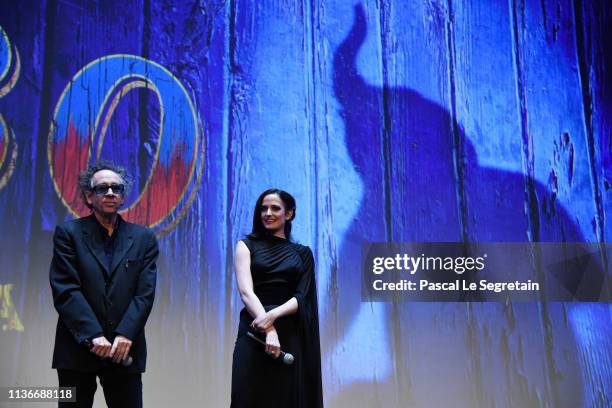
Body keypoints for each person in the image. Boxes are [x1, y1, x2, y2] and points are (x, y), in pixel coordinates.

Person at [49, 161, 158, 408]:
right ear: (89, 196)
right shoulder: (68, 233)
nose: (110, 193)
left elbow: (145, 293)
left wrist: (125, 333)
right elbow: (66, 289)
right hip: (77, 348)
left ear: (122, 196)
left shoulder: (143, 238)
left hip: (125, 348)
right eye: (102, 188)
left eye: (116, 188)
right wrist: (93, 335)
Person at [230, 189, 323, 408]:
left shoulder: (303, 253)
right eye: (263, 208)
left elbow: (302, 296)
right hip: (254, 330)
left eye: (275, 208)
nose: (268, 213)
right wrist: (268, 328)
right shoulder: (246, 245)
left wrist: (273, 315)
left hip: (290, 332)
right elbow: (246, 292)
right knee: (248, 397)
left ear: (289, 214)